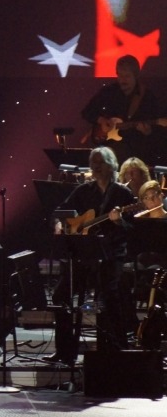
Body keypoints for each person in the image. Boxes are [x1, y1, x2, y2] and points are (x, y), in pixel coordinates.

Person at [52, 147, 135, 354]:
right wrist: (60, 224)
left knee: (109, 297)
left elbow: (133, 230)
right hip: (84, 256)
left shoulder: (123, 194)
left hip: (110, 256)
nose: (95, 166)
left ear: (111, 165)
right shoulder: (83, 191)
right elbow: (60, 211)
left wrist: (119, 222)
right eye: (93, 162)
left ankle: (116, 350)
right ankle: (64, 351)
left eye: (100, 162)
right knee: (60, 296)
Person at [81, 55, 166, 164]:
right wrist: (101, 120)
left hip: (136, 153)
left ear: (136, 76)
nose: (122, 80)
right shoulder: (108, 92)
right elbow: (86, 112)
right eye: (120, 76)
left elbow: (157, 135)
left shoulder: (148, 98)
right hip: (108, 150)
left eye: (127, 76)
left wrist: (148, 132)